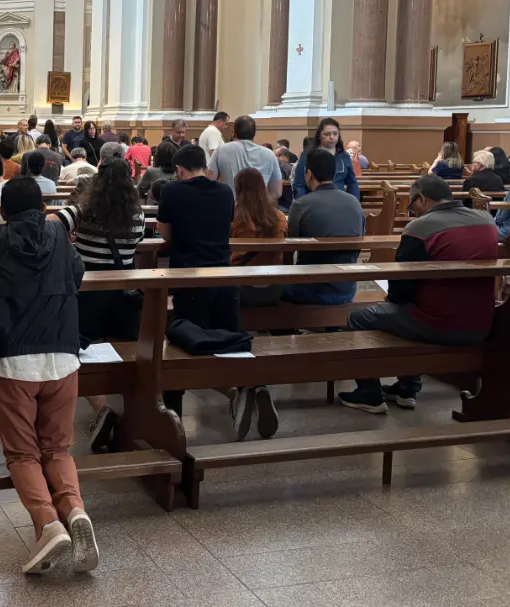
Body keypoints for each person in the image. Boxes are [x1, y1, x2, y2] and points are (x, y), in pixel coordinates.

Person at [0, 178, 97, 575]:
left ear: (3, 211)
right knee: (58, 449)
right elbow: (77, 274)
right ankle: (75, 510)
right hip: (63, 355)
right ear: (42, 207)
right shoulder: (59, 235)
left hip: (13, 361)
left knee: (22, 453)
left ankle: (48, 525)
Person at [338, 176, 498, 413]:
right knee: (403, 311)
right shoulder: (486, 220)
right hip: (482, 322)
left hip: (436, 323)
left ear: (422, 199)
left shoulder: (421, 227)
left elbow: (402, 286)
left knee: (359, 317)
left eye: (411, 206)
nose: (411, 213)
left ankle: (369, 394)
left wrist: (391, 303)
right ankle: (406, 390)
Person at [156, 145, 276, 438]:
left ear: (179, 170)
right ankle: (246, 386)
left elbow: (165, 233)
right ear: (204, 166)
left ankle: (173, 418)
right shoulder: (224, 192)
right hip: (224, 276)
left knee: (187, 345)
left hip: (189, 278)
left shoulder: (172, 191)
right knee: (229, 340)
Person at [51, 159, 147, 449]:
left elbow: (49, 223)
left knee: (78, 354)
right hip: (124, 292)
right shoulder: (137, 215)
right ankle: (135, 413)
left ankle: (102, 409)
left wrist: (68, 243)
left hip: (88, 291)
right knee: (124, 351)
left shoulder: (83, 210)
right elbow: (137, 244)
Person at [284, 148, 366, 305]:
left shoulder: (301, 204)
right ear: (333, 174)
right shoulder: (354, 202)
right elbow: (359, 243)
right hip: (346, 289)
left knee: (269, 289)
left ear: (309, 174)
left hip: (308, 288)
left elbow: (289, 248)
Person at [230, 167, 288, 307]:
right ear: (263, 188)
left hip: (240, 288)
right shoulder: (279, 217)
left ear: (237, 189)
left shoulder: (233, 217)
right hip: (274, 288)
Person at [207, 115, 282, 199]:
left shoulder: (221, 150)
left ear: (234, 132)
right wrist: (258, 201)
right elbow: (277, 192)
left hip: (230, 204)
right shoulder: (269, 154)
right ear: (254, 133)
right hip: (257, 206)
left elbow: (209, 183)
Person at [292, 118, 359, 200]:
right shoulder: (308, 155)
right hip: (313, 201)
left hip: (339, 201)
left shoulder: (343, 156)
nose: (332, 137)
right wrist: (302, 203)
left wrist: (355, 202)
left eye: (335, 134)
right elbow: (299, 185)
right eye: (327, 134)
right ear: (319, 135)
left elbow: (352, 182)